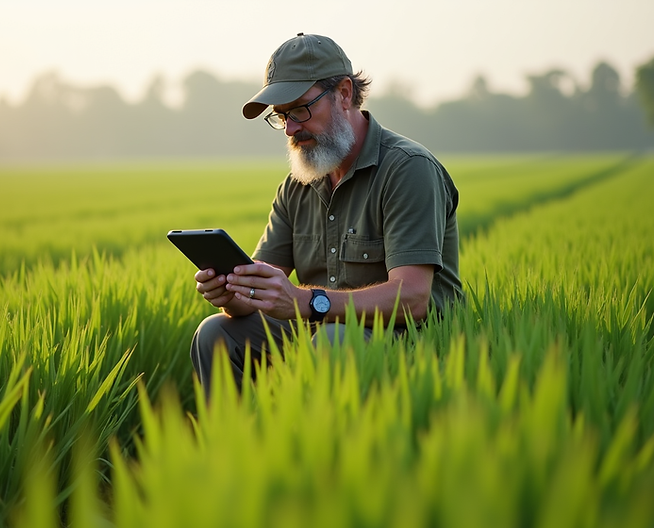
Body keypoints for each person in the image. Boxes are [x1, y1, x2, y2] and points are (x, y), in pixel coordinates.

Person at [190, 33, 462, 397]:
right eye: (281, 116)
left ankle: (325, 449)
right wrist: (231, 292)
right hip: (325, 334)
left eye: (300, 109)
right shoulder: (298, 184)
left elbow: (413, 298)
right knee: (215, 333)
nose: (290, 128)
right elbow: (263, 288)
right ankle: (234, 448)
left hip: (411, 342)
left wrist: (304, 302)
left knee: (333, 340)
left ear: (344, 94)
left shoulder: (408, 169)